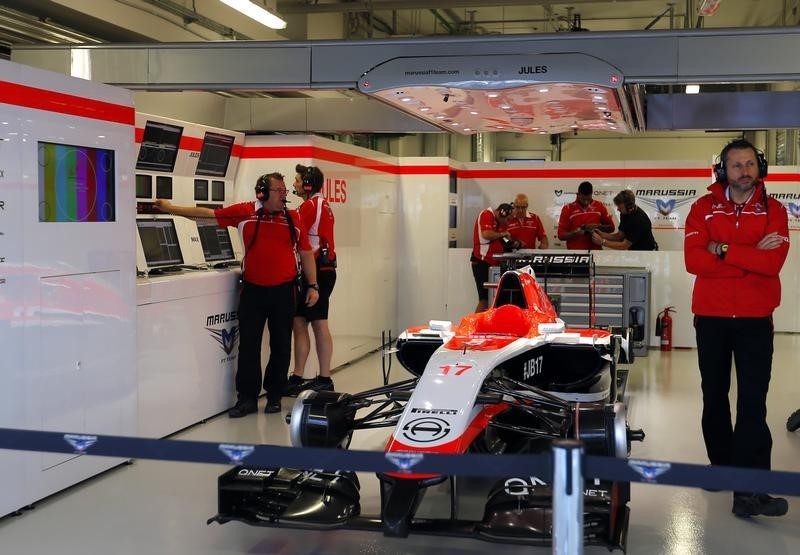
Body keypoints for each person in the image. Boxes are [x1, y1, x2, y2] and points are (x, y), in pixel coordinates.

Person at [154, 173, 319, 417]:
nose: (285, 195)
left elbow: (305, 253)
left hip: (284, 292)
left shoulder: (293, 217)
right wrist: (171, 208)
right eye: (279, 191)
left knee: (281, 346)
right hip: (253, 291)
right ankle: (247, 399)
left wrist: (313, 285)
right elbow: (206, 215)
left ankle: (274, 395)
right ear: (262, 193)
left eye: (285, 191)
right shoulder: (245, 212)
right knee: (248, 347)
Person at [684, 138, 789, 518]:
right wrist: (749, 255)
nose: (745, 171)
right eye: (736, 165)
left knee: (752, 403)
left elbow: (772, 263)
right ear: (722, 171)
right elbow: (694, 260)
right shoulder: (702, 208)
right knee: (714, 396)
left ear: (759, 166)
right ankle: (721, 466)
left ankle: (751, 490)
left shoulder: (775, 210)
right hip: (710, 318)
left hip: (755, 320)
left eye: (750, 164)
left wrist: (723, 249)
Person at [283, 165, 338, 397]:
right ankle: (298, 376)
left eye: (296, 181)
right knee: (301, 322)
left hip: (315, 272)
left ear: (307, 185)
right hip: (322, 270)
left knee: (316, 324)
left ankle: (323, 378)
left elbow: (295, 235)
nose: (294, 184)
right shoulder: (321, 204)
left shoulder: (310, 206)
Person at [471, 202, 513, 312]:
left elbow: (505, 241)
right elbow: (486, 234)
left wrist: (514, 243)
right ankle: (474, 327)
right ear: (501, 214)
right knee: (484, 300)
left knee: (495, 300)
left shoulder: (500, 222)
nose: (508, 222)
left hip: (494, 264)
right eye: (507, 219)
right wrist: (503, 234)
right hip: (482, 262)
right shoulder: (487, 214)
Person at [591, 189, 657, 250]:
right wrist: (603, 235)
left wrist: (602, 242)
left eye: (619, 206)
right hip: (636, 251)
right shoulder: (625, 213)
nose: (618, 209)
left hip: (648, 252)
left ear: (629, 206)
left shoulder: (639, 220)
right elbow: (620, 236)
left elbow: (624, 245)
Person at [557, 181, 614, 250]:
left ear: (591, 194)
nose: (586, 202)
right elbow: (561, 235)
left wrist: (597, 227)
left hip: (596, 251)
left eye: (588, 199)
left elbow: (611, 228)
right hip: (576, 253)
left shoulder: (600, 205)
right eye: (583, 199)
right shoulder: (568, 208)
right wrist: (576, 233)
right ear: (577, 194)